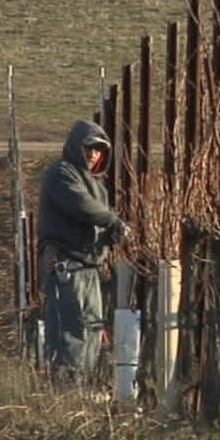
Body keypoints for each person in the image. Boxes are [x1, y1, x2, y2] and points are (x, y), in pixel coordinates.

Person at [36, 119, 129, 383]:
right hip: (69, 267)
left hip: (88, 269)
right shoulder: (62, 174)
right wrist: (114, 222)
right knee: (71, 333)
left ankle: (80, 392)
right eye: (89, 147)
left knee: (90, 330)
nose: (93, 154)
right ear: (76, 147)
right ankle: (65, 392)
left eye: (99, 149)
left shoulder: (96, 185)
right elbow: (81, 205)